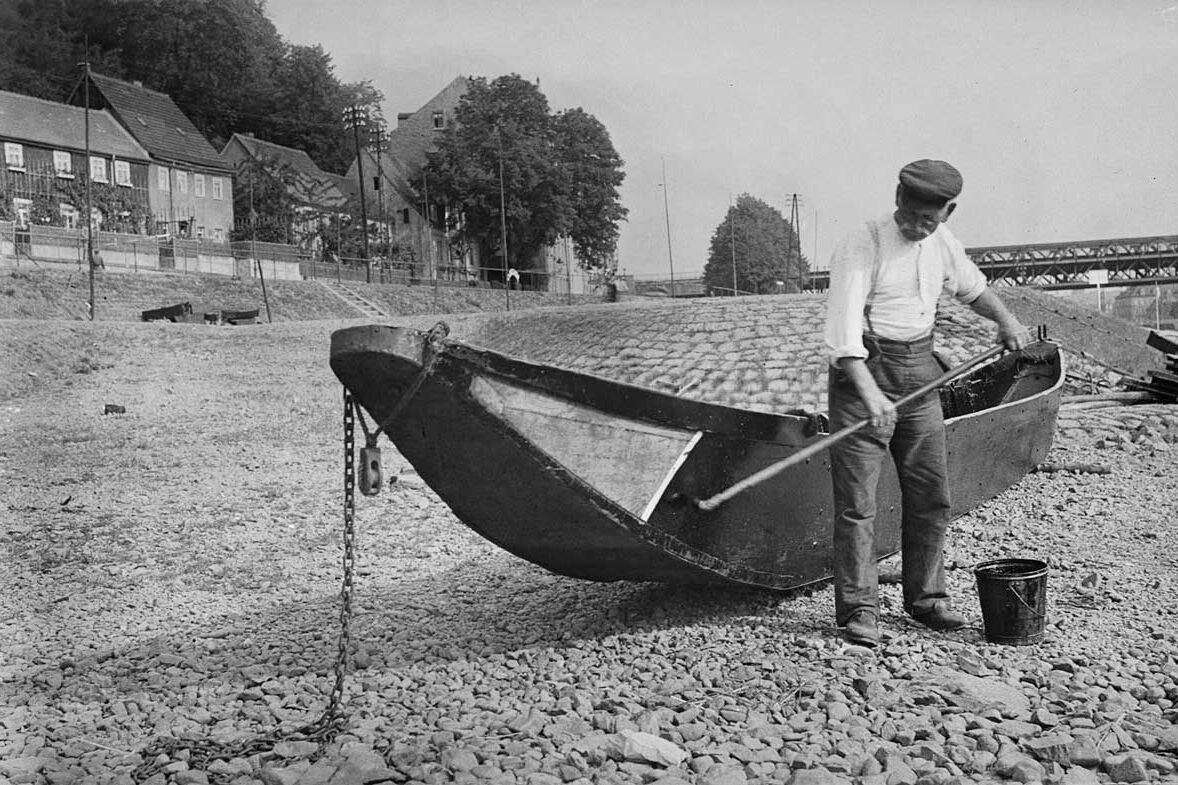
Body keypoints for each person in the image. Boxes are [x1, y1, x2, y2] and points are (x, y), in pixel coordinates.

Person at [824, 159, 1031, 647]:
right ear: (898, 197)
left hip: (920, 374)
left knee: (931, 496)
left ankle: (927, 600)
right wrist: (871, 395)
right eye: (911, 215)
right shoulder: (862, 243)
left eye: (929, 220)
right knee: (857, 505)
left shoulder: (942, 243)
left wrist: (1006, 321)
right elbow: (842, 334)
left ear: (948, 212)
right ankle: (859, 609)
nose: (917, 227)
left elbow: (974, 289)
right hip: (862, 377)